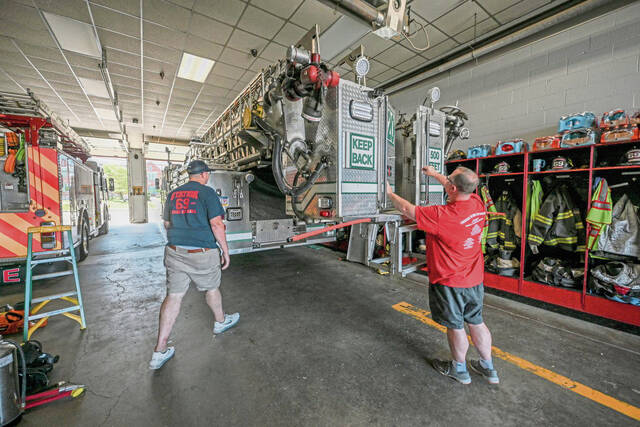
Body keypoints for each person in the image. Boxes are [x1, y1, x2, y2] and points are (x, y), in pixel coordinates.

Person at [386, 165, 498, 385]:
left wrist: (389, 193)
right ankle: (488, 367)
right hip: (474, 278)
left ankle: (459, 370)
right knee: (476, 321)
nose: (445, 182)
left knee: (455, 326)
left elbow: (409, 210)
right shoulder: (476, 203)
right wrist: (435, 175)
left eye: (448, 181)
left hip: (449, 282)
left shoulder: (443, 215)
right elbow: (455, 186)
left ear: (453, 188)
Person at [150, 160, 239, 370]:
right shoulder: (207, 193)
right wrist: (226, 251)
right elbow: (216, 224)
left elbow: (166, 223)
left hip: (174, 251)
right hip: (201, 252)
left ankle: (160, 350)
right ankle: (220, 321)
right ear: (205, 174)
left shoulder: (173, 194)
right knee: (211, 287)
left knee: (174, 296)